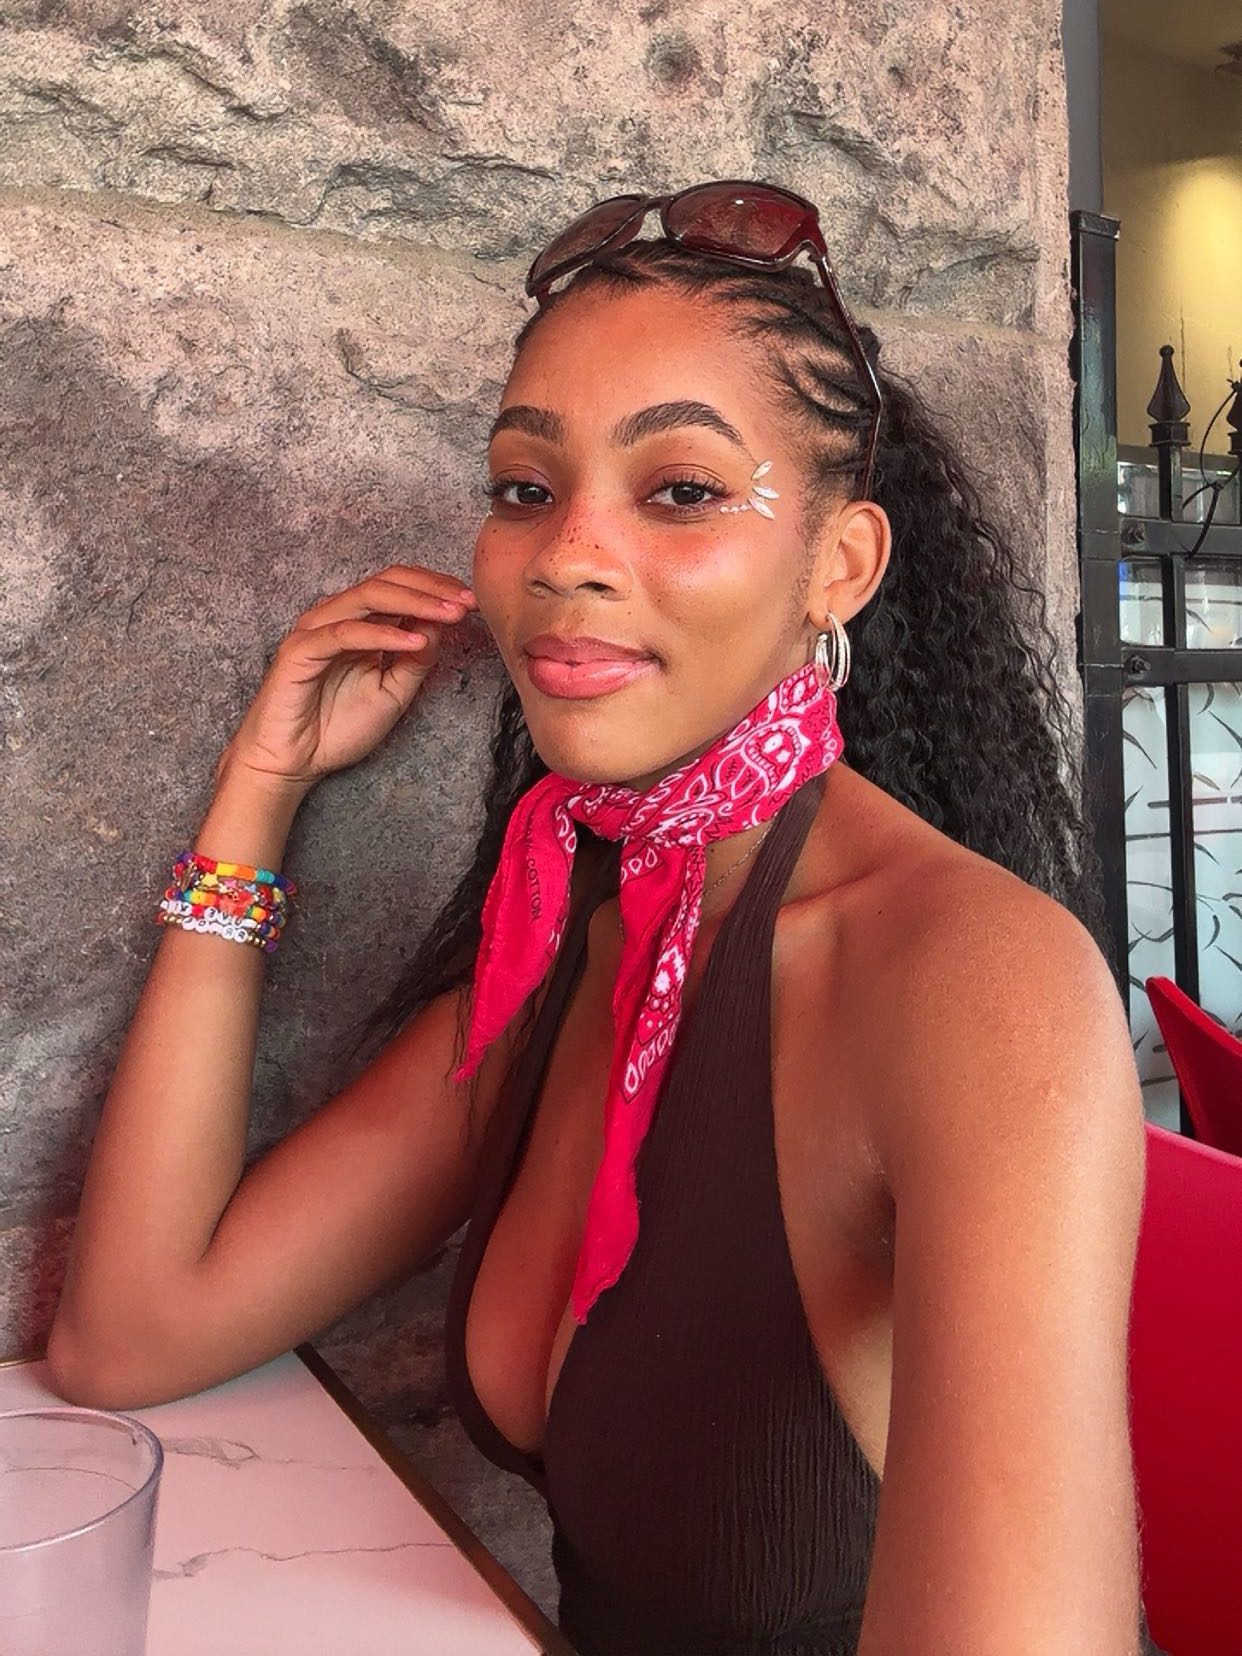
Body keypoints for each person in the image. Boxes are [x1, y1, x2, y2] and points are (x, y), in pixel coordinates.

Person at [47, 182, 1164, 1655]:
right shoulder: (573, 928)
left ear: (838, 566)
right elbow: (133, 1335)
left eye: (681, 490)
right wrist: (257, 795)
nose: (565, 553)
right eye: (525, 487)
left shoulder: (974, 981)